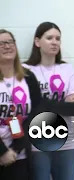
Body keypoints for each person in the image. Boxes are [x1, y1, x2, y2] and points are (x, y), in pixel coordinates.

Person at [23, 22, 74, 180]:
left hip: (67, 144)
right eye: (49, 38)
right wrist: (63, 103)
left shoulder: (67, 69)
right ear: (37, 42)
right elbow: (30, 109)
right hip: (37, 144)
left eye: (58, 38)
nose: (54, 42)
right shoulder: (25, 71)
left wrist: (42, 103)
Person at [0, 29, 40, 180]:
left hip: (20, 155)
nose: (7, 46)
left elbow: (35, 114)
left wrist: (15, 149)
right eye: (1, 43)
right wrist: (2, 152)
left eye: (10, 42)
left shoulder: (28, 77)